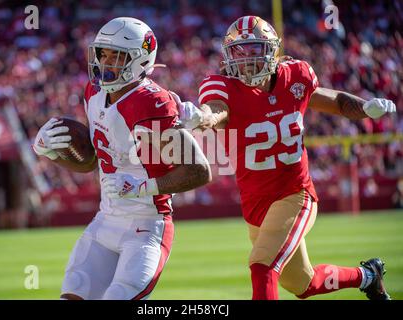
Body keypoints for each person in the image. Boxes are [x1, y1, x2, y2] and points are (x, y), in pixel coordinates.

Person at [174, 16, 396, 300]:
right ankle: (368, 277)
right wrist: (200, 117)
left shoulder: (296, 76)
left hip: (295, 193)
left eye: (254, 49)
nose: (246, 59)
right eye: (238, 51)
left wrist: (365, 108)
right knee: (304, 284)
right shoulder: (222, 86)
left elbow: (335, 101)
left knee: (262, 267)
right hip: (256, 203)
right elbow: (215, 110)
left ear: (272, 51)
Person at [33, 17, 211, 300]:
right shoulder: (93, 92)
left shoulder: (151, 101)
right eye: (103, 54)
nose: (106, 63)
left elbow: (199, 170)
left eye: (117, 56)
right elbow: (92, 161)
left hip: (146, 226)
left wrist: (144, 187)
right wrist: (51, 153)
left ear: (140, 60)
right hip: (105, 220)